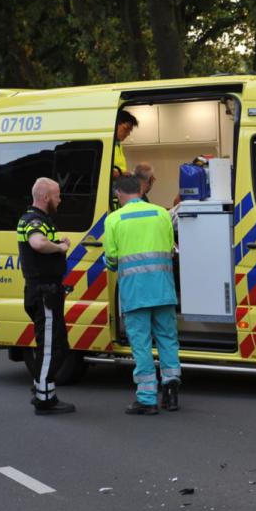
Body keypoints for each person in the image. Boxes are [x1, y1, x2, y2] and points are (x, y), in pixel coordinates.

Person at [104, 176, 181, 415]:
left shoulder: (114, 219)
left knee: (142, 345)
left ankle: (147, 398)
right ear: (140, 189)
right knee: (168, 339)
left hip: (135, 293)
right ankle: (171, 391)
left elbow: (112, 260)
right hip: (163, 290)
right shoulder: (161, 214)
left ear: (118, 194)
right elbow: (170, 249)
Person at [16, 178, 75, 415]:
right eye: (58, 195)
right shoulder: (33, 219)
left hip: (47, 292)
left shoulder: (39, 219)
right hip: (44, 293)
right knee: (50, 347)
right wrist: (59, 247)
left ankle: (42, 387)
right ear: (46, 197)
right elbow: (38, 243)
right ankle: (44, 400)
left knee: (59, 345)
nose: (60, 200)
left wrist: (57, 243)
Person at [113, 110, 138, 178]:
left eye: (130, 131)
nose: (128, 134)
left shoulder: (118, 145)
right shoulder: (107, 145)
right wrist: (123, 174)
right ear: (115, 124)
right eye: (126, 128)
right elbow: (103, 170)